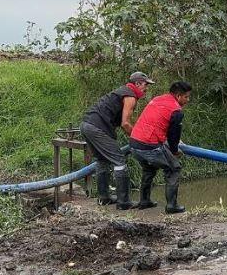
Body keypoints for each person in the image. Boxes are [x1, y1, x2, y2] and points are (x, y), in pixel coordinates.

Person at [80, 71, 154, 209]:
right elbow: (125, 123)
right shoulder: (130, 96)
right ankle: (124, 202)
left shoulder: (122, 91)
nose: (147, 88)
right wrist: (138, 139)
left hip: (87, 125)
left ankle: (104, 198)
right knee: (119, 160)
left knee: (102, 160)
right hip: (97, 128)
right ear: (137, 84)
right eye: (145, 84)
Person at [129, 81, 192, 214]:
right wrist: (174, 151)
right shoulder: (176, 110)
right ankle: (172, 206)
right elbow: (173, 136)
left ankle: (144, 201)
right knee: (174, 169)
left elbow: (161, 125)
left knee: (149, 169)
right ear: (179, 96)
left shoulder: (158, 99)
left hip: (134, 142)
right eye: (186, 97)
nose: (188, 100)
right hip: (149, 145)